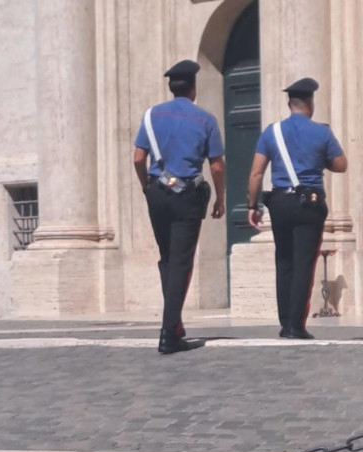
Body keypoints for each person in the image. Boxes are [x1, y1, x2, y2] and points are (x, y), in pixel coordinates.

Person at [133, 59, 226, 354]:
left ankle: (174, 323)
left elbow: (138, 158)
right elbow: (217, 165)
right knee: (181, 262)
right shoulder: (205, 120)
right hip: (186, 196)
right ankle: (169, 333)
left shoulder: (151, 116)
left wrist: (146, 187)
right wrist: (220, 198)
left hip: (157, 193)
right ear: (193, 87)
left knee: (167, 259)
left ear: (171, 87)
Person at [246, 77, 347, 339]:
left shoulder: (271, 132)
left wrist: (252, 205)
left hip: (280, 202)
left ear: (289, 104)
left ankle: (284, 322)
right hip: (309, 203)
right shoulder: (322, 132)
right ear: (310, 103)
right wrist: (318, 160)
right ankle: (296, 325)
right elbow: (341, 165)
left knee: (284, 261)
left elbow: (256, 173)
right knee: (304, 263)